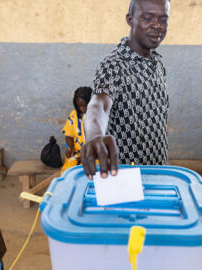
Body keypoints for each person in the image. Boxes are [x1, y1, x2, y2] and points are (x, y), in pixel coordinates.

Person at [82, 0, 170, 179]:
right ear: (130, 19)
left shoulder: (158, 64)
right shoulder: (114, 65)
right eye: (148, 18)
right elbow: (99, 105)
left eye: (163, 20)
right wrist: (94, 134)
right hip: (125, 179)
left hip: (158, 172)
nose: (157, 26)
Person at [60, 87, 93, 174]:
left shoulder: (97, 117)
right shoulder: (74, 115)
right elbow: (69, 136)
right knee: (67, 172)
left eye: (85, 105)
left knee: (93, 172)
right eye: (80, 106)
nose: (82, 109)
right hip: (77, 154)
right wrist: (70, 149)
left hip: (94, 155)